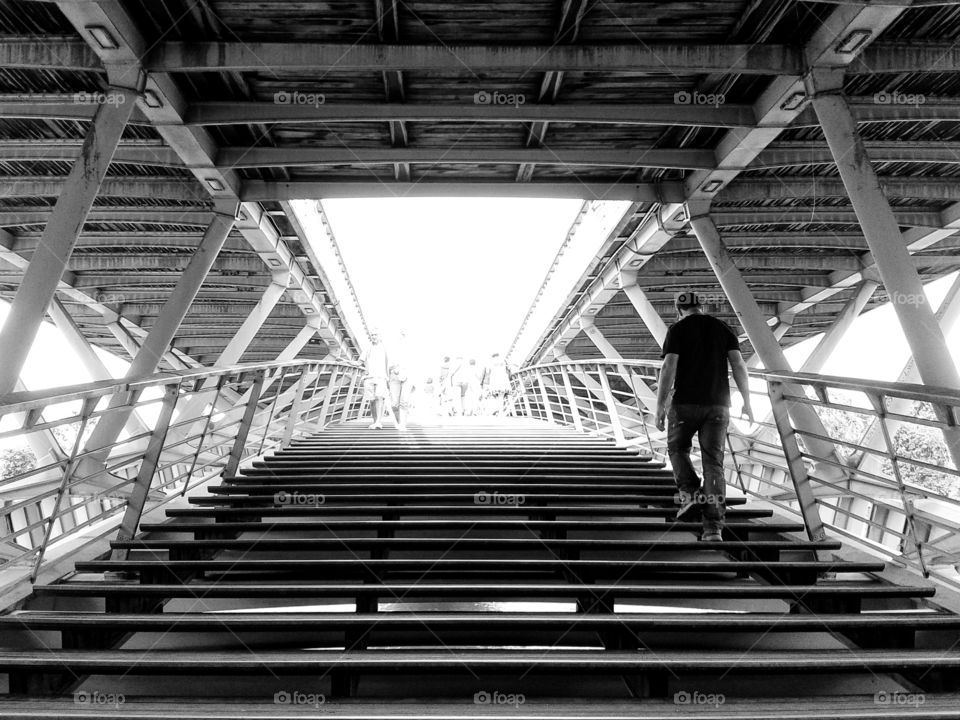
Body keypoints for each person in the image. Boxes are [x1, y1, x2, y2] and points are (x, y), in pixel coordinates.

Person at [654, 291, 754, 542]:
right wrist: (747, 401)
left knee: (677, 448)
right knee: (714, 463)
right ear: (702, 306)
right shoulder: (723, 328)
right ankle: (713, 528)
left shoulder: (677, 330)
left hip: (685, 404)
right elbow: (739, 365)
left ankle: (689, 494)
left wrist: (660, 406)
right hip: (719, 405)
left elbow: (669, 367)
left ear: (679, 310)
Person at [360, 328, 389, 429]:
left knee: (379, 397)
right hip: (369, 377)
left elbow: (389, 362)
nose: (373, 337)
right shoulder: (367, 347)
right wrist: (345, 361)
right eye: (372, 335)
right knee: (372, 400)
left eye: (375, 335)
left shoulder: (385, 347)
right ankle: (374, 421)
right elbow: (360, 361)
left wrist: (389, 376)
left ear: (380, 336)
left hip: (381, 376)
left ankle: (378, 422)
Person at [388, 331, 411, 431]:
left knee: (404, 401)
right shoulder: (390, 350)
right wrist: (393, 369)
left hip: (408, 376)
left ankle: (402, 424)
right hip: (394, 376)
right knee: (394, 404)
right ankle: (398, 422)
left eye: (403, 337)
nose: (401, 339)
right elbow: (386, 365)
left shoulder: (411, 350)